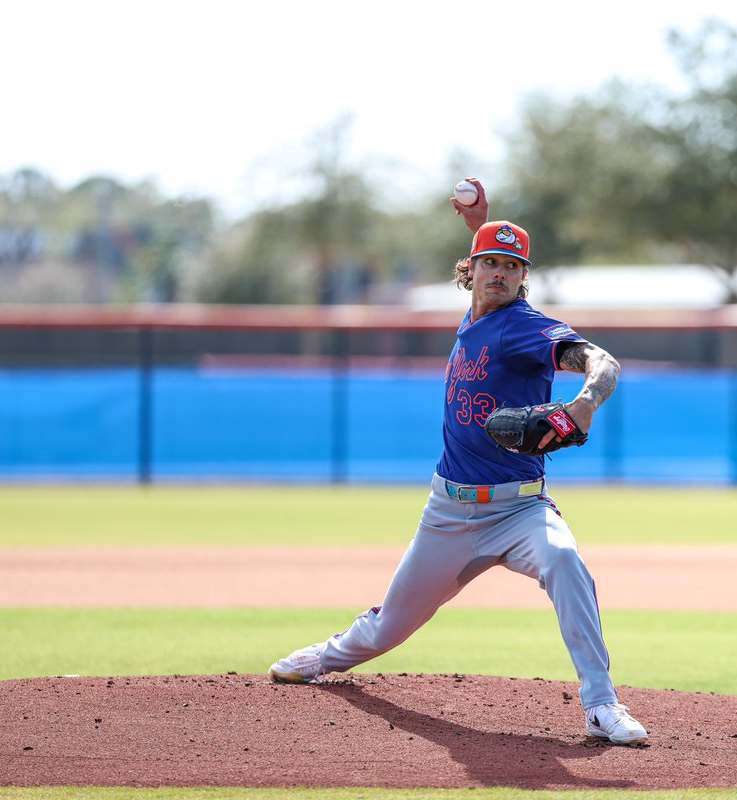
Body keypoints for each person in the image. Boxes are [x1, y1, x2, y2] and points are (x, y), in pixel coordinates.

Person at [267, 179, 647, 746]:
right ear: (470, 271)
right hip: (448, 511)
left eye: (511, 267)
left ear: (525, 277)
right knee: (389, 627)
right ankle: (329, 656)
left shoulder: (523, 327)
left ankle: (600, 704)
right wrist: (483, 227)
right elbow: (489, 266)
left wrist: (585, 401)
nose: (499, 273)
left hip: (519, 510)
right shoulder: (475, 315)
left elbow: (602, 361)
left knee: (565, 561)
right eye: (489, 263)